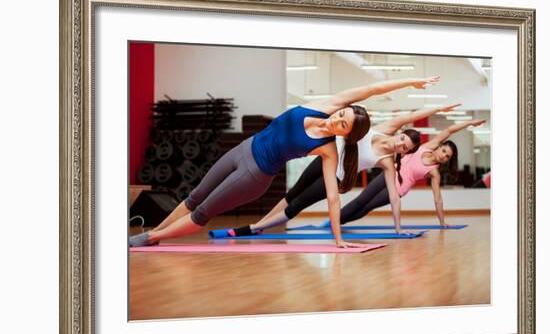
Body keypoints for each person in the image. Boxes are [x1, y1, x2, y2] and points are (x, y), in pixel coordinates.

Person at [129, 77, 426, 248]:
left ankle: (150, 237)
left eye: (344, 124)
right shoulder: (325, 106)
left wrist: (338, 240)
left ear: (347, 134)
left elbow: (333, 198)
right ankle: (154, 234)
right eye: (342, 115)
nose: (338, 120)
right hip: (243, 149)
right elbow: (372, 89)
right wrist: (411, 82)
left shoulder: (328, 150)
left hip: (255, 175)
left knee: (205, 211)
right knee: (194, 198)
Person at [226, 98, 461, 237]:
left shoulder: (387, 162)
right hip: (325, 158)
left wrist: (398, 227)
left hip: (336, 178)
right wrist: (439, 109)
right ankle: (261, 225)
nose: (399, 145)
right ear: (399, 133)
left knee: (298, 205)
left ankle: (253, 227)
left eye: (404, 148)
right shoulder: (385, 127)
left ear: (405, 153)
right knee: (292, 194)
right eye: (402, 140)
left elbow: (394, 196)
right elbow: (416, 113)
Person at [332, 119, 487, 228]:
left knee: (367, 207)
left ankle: (340, 223)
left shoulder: (434, 172)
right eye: (444, 151)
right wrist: (468, 123)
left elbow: (438, 199)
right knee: (361, 200)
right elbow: (448, 130)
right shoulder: (428, 146)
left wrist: (442, 221)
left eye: (447, 157)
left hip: (399, 187)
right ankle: (333, 220)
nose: (443, 156)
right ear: (440, 147)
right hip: (388, 174)